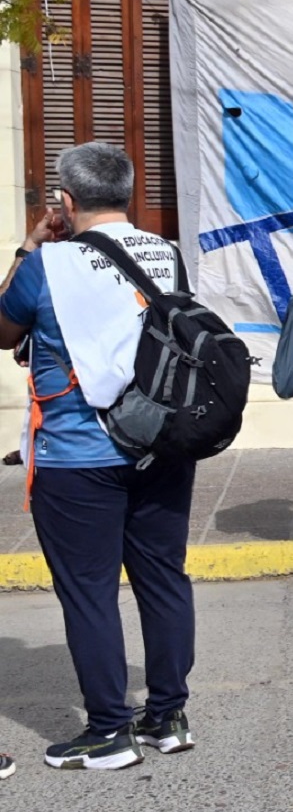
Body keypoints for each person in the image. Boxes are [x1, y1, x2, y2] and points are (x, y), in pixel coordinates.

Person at [0, 142, 194, 769]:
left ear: (66, 199)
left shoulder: (47, 265)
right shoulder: (166, 255)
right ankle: (166, 716)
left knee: (88, 592)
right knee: (163, 580)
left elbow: (2, 331)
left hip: (77, 455)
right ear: (129, 194)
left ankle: (110, 729)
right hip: (161, 446)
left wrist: (28, 247)